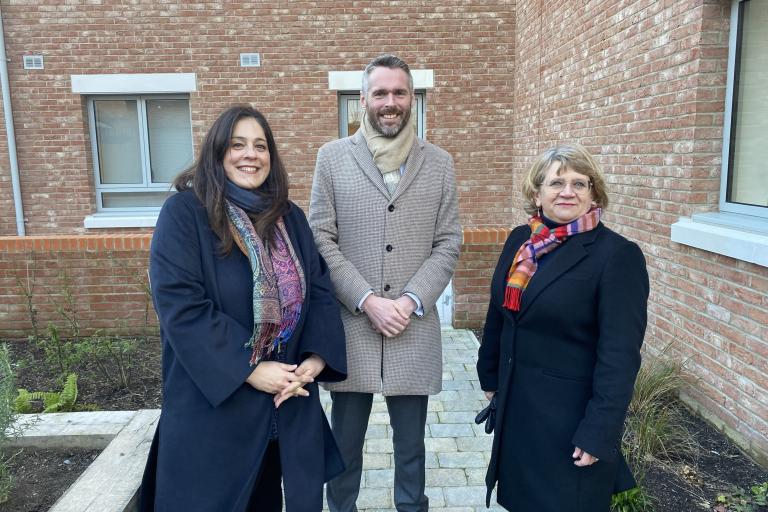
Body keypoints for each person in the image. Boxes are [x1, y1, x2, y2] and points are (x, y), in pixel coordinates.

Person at [139, 105, 347, 512]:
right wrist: (250, 369)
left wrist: (315, 358)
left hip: (287, 404)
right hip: (216, 412)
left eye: (260, 146)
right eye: (237, 145)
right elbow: (182, 307)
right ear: (217, 153)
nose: (250, 154)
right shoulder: (185, 214)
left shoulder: (290, 218)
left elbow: (319, 288)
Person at [309, 54, 461, 512]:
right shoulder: (332, 158)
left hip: (411, 327)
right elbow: (321, 237)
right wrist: (366, 299)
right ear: (363, 100)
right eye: (381, 93)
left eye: (399, 93)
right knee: (345, 447)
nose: (390, 102)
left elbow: (448, 242)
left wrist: (411, 299)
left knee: (412, 449)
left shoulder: (439, 163)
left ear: (411, 98)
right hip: (352, 328)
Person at [476, 143, 649, 511]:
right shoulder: (521, 241)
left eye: (579, 183)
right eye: (556, 182)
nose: (568, 191)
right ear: (537, 193)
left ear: (593, 193)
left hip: (570, 425)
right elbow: (500, 315)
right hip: (518, 414)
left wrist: (599, 431)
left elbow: (619, 355)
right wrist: (490, 377)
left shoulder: (616, 256)